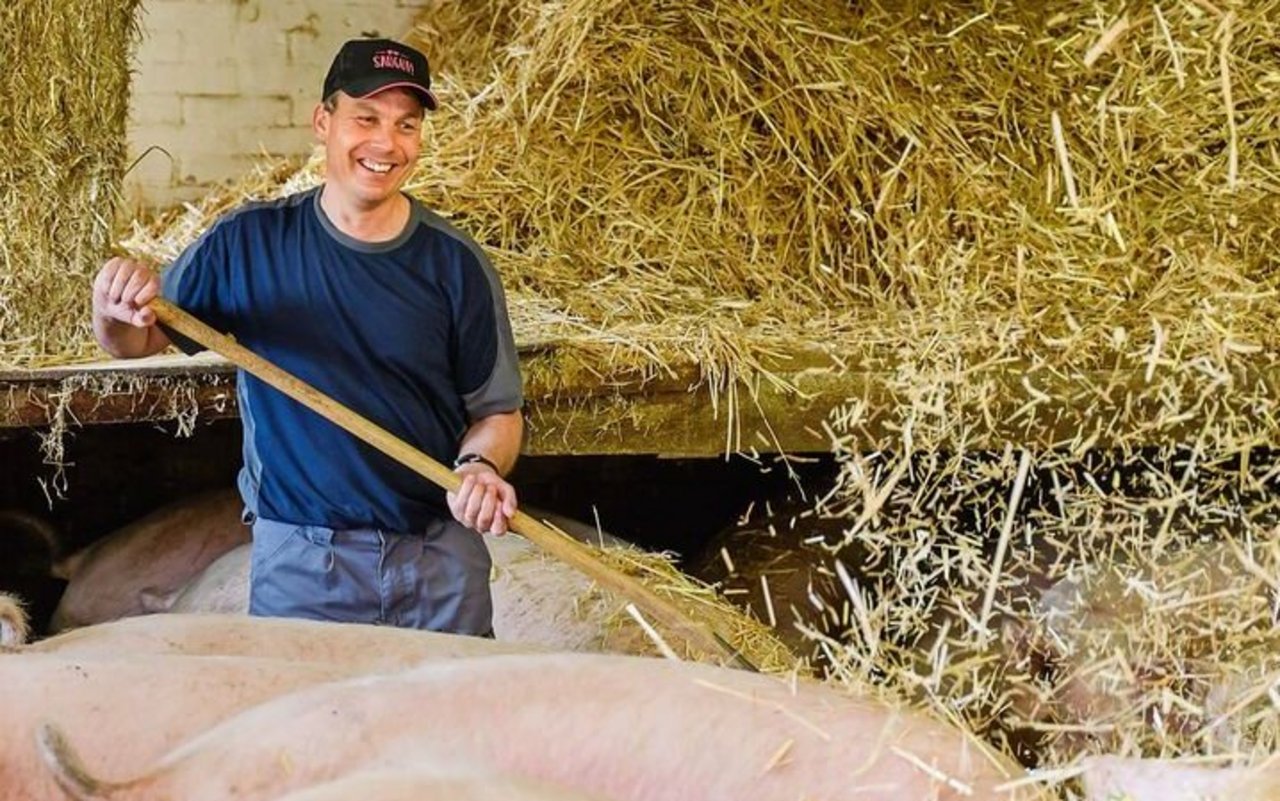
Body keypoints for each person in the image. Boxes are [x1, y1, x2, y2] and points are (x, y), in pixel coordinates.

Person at [90, 37, 523, 636]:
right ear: (323, 122)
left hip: (438, 564)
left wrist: (478, 467)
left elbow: (498, 412)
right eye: (365, 118)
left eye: (406, 124)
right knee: (304, 728)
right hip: (305, 567)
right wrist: (112, 307)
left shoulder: (454, 262)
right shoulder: (247, 244)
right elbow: (134, 342)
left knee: (454, 730)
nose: (385, 143)